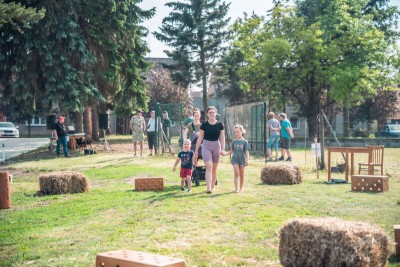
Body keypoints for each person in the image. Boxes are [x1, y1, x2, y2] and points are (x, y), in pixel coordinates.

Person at [193, 106, 225, 194]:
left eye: (213, 112)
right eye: (210, 112)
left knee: (214, 168)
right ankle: (208, 188)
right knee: (209, 166)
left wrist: (222, 149)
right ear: (207, 114)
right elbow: (199, 138)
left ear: (216, 113)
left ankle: (212, 186)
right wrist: (196, 151)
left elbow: (222, 137)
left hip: (216, 146)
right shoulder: (204, 125)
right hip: (206, 146)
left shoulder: (220, 124)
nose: (211, 114)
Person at [223, 124, 250, 193]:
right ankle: (236, 188)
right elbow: (231, 151)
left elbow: (246, 152)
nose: (236, 133)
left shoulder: (245, 142)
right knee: (236, 173)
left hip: (242, 159)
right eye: (235, 132)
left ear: (242, 132)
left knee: (241, 174)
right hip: (235, 159)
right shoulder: (234, 142)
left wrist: (247, 160)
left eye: (238, 132)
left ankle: (241, 188)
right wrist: (225, 154)